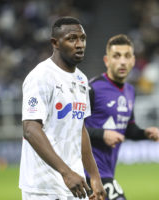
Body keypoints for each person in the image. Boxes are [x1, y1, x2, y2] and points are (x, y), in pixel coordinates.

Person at [19, 16, 106, 200]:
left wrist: (95, 176)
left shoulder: (81, 80)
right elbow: (30, 129)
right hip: (43, 188)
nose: (80, 44)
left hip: (74, 184)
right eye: (72, 38)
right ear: (55, 43)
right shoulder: (41, 77)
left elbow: (79, 129)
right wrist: (66, 173)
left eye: (82, 38)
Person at [85, 34, 159, 200]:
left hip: (107, 172)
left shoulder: (130, 91)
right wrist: (103, 134)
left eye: (127, 56)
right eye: (116, 56)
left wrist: (144, 133)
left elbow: (128, 128)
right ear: (107, 61)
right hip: (87, 172)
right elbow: (71, 129)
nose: (122, 61)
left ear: (133, 61)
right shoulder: (92, 89)